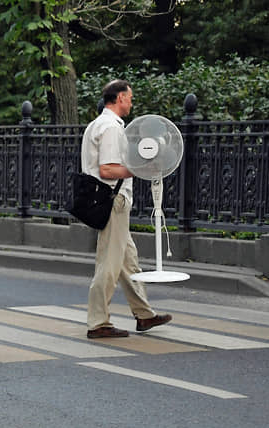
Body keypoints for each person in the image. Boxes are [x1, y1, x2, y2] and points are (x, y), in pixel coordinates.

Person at [81, 80, 172, 338]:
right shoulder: (111, 128)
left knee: (128, 262)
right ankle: (98, 322)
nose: (131, 102)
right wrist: (142, 170)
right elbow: (107, 169)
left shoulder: (97, 124)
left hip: (109, 199)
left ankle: (144, 315)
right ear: (120, 97)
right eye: (130, 97)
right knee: (109, 263)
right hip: (114, 200)